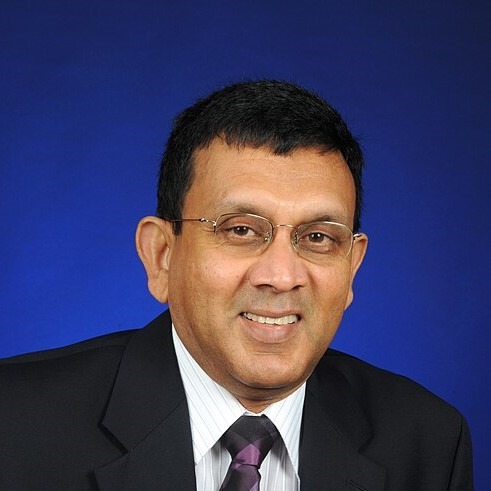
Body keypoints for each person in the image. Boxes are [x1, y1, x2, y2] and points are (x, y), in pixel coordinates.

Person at [0, 80, 473, 490]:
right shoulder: (14, 424)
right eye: (241, 230)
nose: (282, 276)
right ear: (161, 256)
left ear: (352, 267)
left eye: (317, 237)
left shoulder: (427, 442)